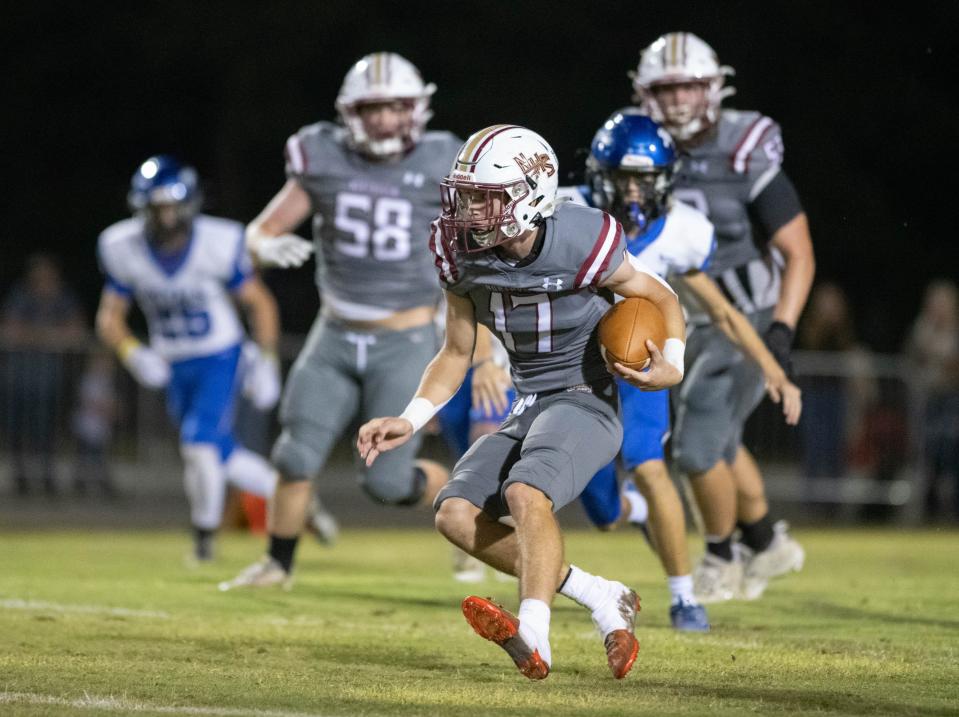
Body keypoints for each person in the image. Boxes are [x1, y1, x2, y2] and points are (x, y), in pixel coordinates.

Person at [358, 125, 686, 680]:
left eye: (484, 197)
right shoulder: (460, 253)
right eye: (465, 195)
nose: (468, 211)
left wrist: (671, 363)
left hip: (585, 397)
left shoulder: (582, 235)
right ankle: (601, 594)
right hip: (528, 399)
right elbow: (456, 352)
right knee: (456, 515)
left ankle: (534, 631)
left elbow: (659, 294)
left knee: (525, 489)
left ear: (529, 194)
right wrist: (410, 419)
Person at [219, 52, 462, 591]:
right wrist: (263, 242)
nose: (383, 119)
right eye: (371, 108)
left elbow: (474, 245)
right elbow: (263, 229)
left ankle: (467, 508)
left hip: (405, 337)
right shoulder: (324, 156)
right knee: (295, 451)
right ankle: (277, 564)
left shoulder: (444, 160)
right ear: (351, 112)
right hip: (333, 333)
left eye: (395, 107)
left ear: (416, 109)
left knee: (388, 482)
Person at [563, 112, 801, 629]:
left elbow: (721, 312)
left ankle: (684, 596)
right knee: (604, 515)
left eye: (643, 179)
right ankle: (637, 513)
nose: (630, 190)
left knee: (649, 464)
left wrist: (773, 370)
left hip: (645, 366)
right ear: (598, 173)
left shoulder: (681, 232)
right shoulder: (570, 211)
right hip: (576, 371)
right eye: (621, 176)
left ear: (665, 181)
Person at [631, 32, 815, 602]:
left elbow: (799, 251)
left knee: (694, 445)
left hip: (747, 312)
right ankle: (765, 543)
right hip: (683, 317)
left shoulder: (743, 146)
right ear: (644, 93)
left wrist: (782, 330)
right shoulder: (641, 146)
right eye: (667, 88)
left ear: (713, 88)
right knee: (723, 440)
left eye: (689, 86)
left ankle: (721, 556)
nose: (680, 100)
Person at [96, 155, 281, 561]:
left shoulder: (219, 240)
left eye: (172, 207)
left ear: (190, 204)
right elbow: (109, 318)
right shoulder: (121, 246)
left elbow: (260, 304)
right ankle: (295, 497)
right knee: (221, 453)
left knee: (198, 447)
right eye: (156, 208)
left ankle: (203, 541)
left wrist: (265, 360)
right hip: (173, 361)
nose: (165, 218)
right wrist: (132, 351)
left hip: (220, 354)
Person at [1, 253, 87, 495]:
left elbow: (76, 332)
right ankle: (21, 477)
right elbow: (10, 330)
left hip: (48, 379)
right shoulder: (21, 295)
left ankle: (47, 476)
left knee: (46, 430)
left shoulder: (63, 297)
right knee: (17, 429)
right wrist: (50, 336)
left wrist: (35, 336)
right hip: (18, 377)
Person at [905, 280, 959, 518]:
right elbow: (914, 358)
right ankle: (931, 505)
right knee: (929, 451)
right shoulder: (921, 328)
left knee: (951, 449)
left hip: (952, 398)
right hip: (927, 399)